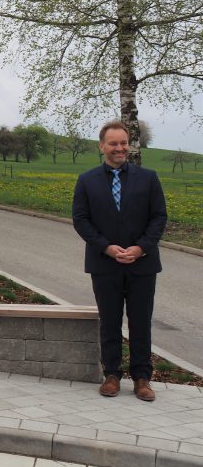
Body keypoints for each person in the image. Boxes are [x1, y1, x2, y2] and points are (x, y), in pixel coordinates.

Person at [73, 120, 167, 401]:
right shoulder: (87, 180)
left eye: (123, 143)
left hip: (142, 264)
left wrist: (141, 248)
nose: (119, 148)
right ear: (102, 146)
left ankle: (142, 378)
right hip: (105, 264)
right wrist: (107, 248)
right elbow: (81, 219)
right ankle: (111, 375)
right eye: (113, 143)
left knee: (140, 322)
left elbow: (158, 217)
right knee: (110, 322)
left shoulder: (148, 178)